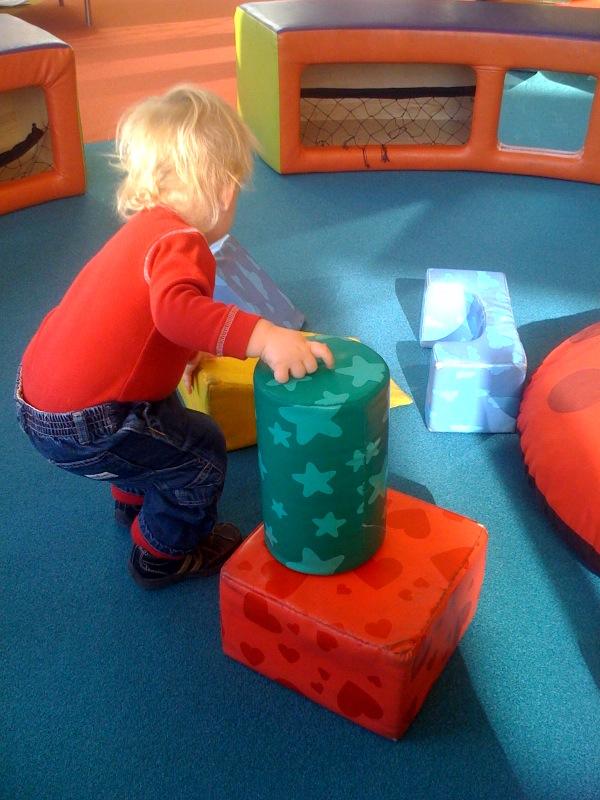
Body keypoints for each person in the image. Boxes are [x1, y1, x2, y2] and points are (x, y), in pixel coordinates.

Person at [15, 85, 334, 590]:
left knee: (163, 415)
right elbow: (177, 310)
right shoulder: (185, 242)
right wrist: (266, 336)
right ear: (226, 189)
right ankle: (162, 554)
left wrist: (184, 352)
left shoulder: (145, 232)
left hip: (39, 399)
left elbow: (142, 322)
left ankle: (133, 499)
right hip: (88, 424)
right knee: (200, 451)